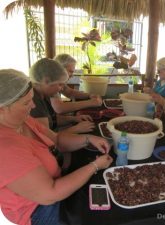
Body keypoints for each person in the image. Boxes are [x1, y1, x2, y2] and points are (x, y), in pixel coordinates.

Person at [0, 69, 113, 225]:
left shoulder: (23, 121)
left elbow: (57, 140)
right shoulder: (6, 148)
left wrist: (88, 139)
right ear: (2, 110)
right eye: (26, 103)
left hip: (57, 184)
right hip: (38, 210)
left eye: (32, 99)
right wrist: (94, 166)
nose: (33, 106)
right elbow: (49, 193)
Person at [29, 58, 95, 134]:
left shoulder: (44, 93)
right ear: (46, 81)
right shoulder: (33, 101)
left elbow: (51, 120)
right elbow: (45, 138)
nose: (62, 88)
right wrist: (75, 129)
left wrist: (74, 119)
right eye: (60, 84)